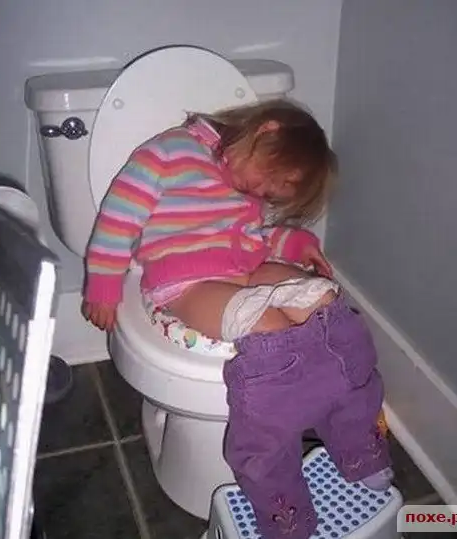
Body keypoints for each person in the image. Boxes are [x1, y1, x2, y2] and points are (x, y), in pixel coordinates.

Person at [82, 99, 392, 539]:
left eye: (271, 194)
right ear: (267, 132)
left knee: (329, 311)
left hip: (247, 268)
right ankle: (276, 492)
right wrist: (104, 284)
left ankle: (355, 440)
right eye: (269, 181)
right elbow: (119, 219)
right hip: (186, 282)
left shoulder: (245, 185)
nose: (261, 193)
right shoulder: (167, 153)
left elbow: (253, 236)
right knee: (271, 333)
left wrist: (295, 242)